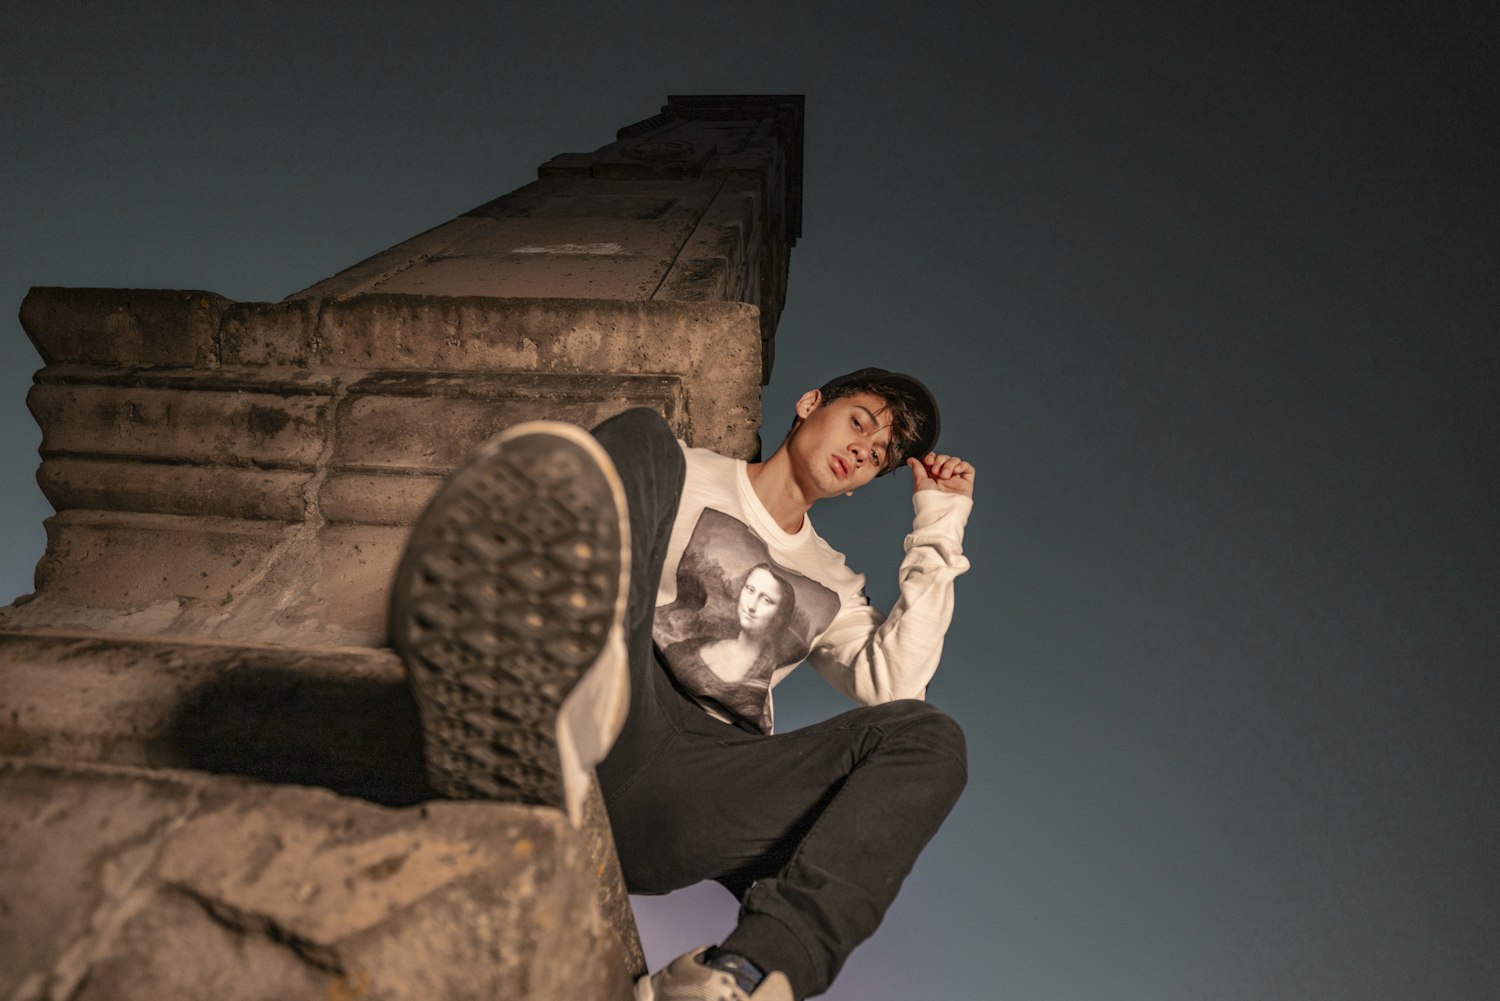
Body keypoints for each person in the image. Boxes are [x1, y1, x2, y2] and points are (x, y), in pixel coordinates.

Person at [391, 368, 975, 1001]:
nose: (862, 451)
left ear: (863, 484)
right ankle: (544, 693)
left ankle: (749, 974)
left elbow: (895, 685)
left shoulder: (835, 583)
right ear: (811, 404)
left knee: (929, 737)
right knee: (641, 437)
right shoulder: (680, 471)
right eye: (859, 423)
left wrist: (941, 522)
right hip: (622, 698)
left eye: (878, 457)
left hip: (703, 786)